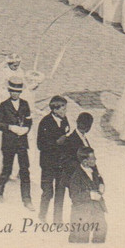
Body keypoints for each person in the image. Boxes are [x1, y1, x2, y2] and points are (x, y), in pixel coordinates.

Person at [0, 77, 33, 209]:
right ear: (9, 91)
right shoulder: (4, 105)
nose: (15, 94)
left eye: (17, 91)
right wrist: (10, 127)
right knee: (7, 168)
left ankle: (27, 199)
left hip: (22, 142)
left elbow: (29, 119)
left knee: (25, 170)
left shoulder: (25, 104)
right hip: (9, 142)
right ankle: (0, 192)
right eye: (12, 91)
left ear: (21, 92)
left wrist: (26, 129)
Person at [36, 95, 71, 223]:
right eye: (62, 109)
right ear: (54, 110)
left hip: (61, 163)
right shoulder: (45, 123)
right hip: (48, 163)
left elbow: (66, 133)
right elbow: (40, 145)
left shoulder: (64, 119)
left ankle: (57, 220)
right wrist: (57, 142)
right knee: (48, 191)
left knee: (60, 192)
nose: (65, 112)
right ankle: (42, 215)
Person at [67, 146, 107, 243]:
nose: (95, 160)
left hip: (96, 207)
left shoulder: (93, 170)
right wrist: (90, 195)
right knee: (81, 238)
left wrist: (101, 184)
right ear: (84, 161)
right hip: (82, 210)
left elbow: (99, 177)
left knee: (101, 229)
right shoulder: (76, 175)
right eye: (92, 158)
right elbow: (74, 196)